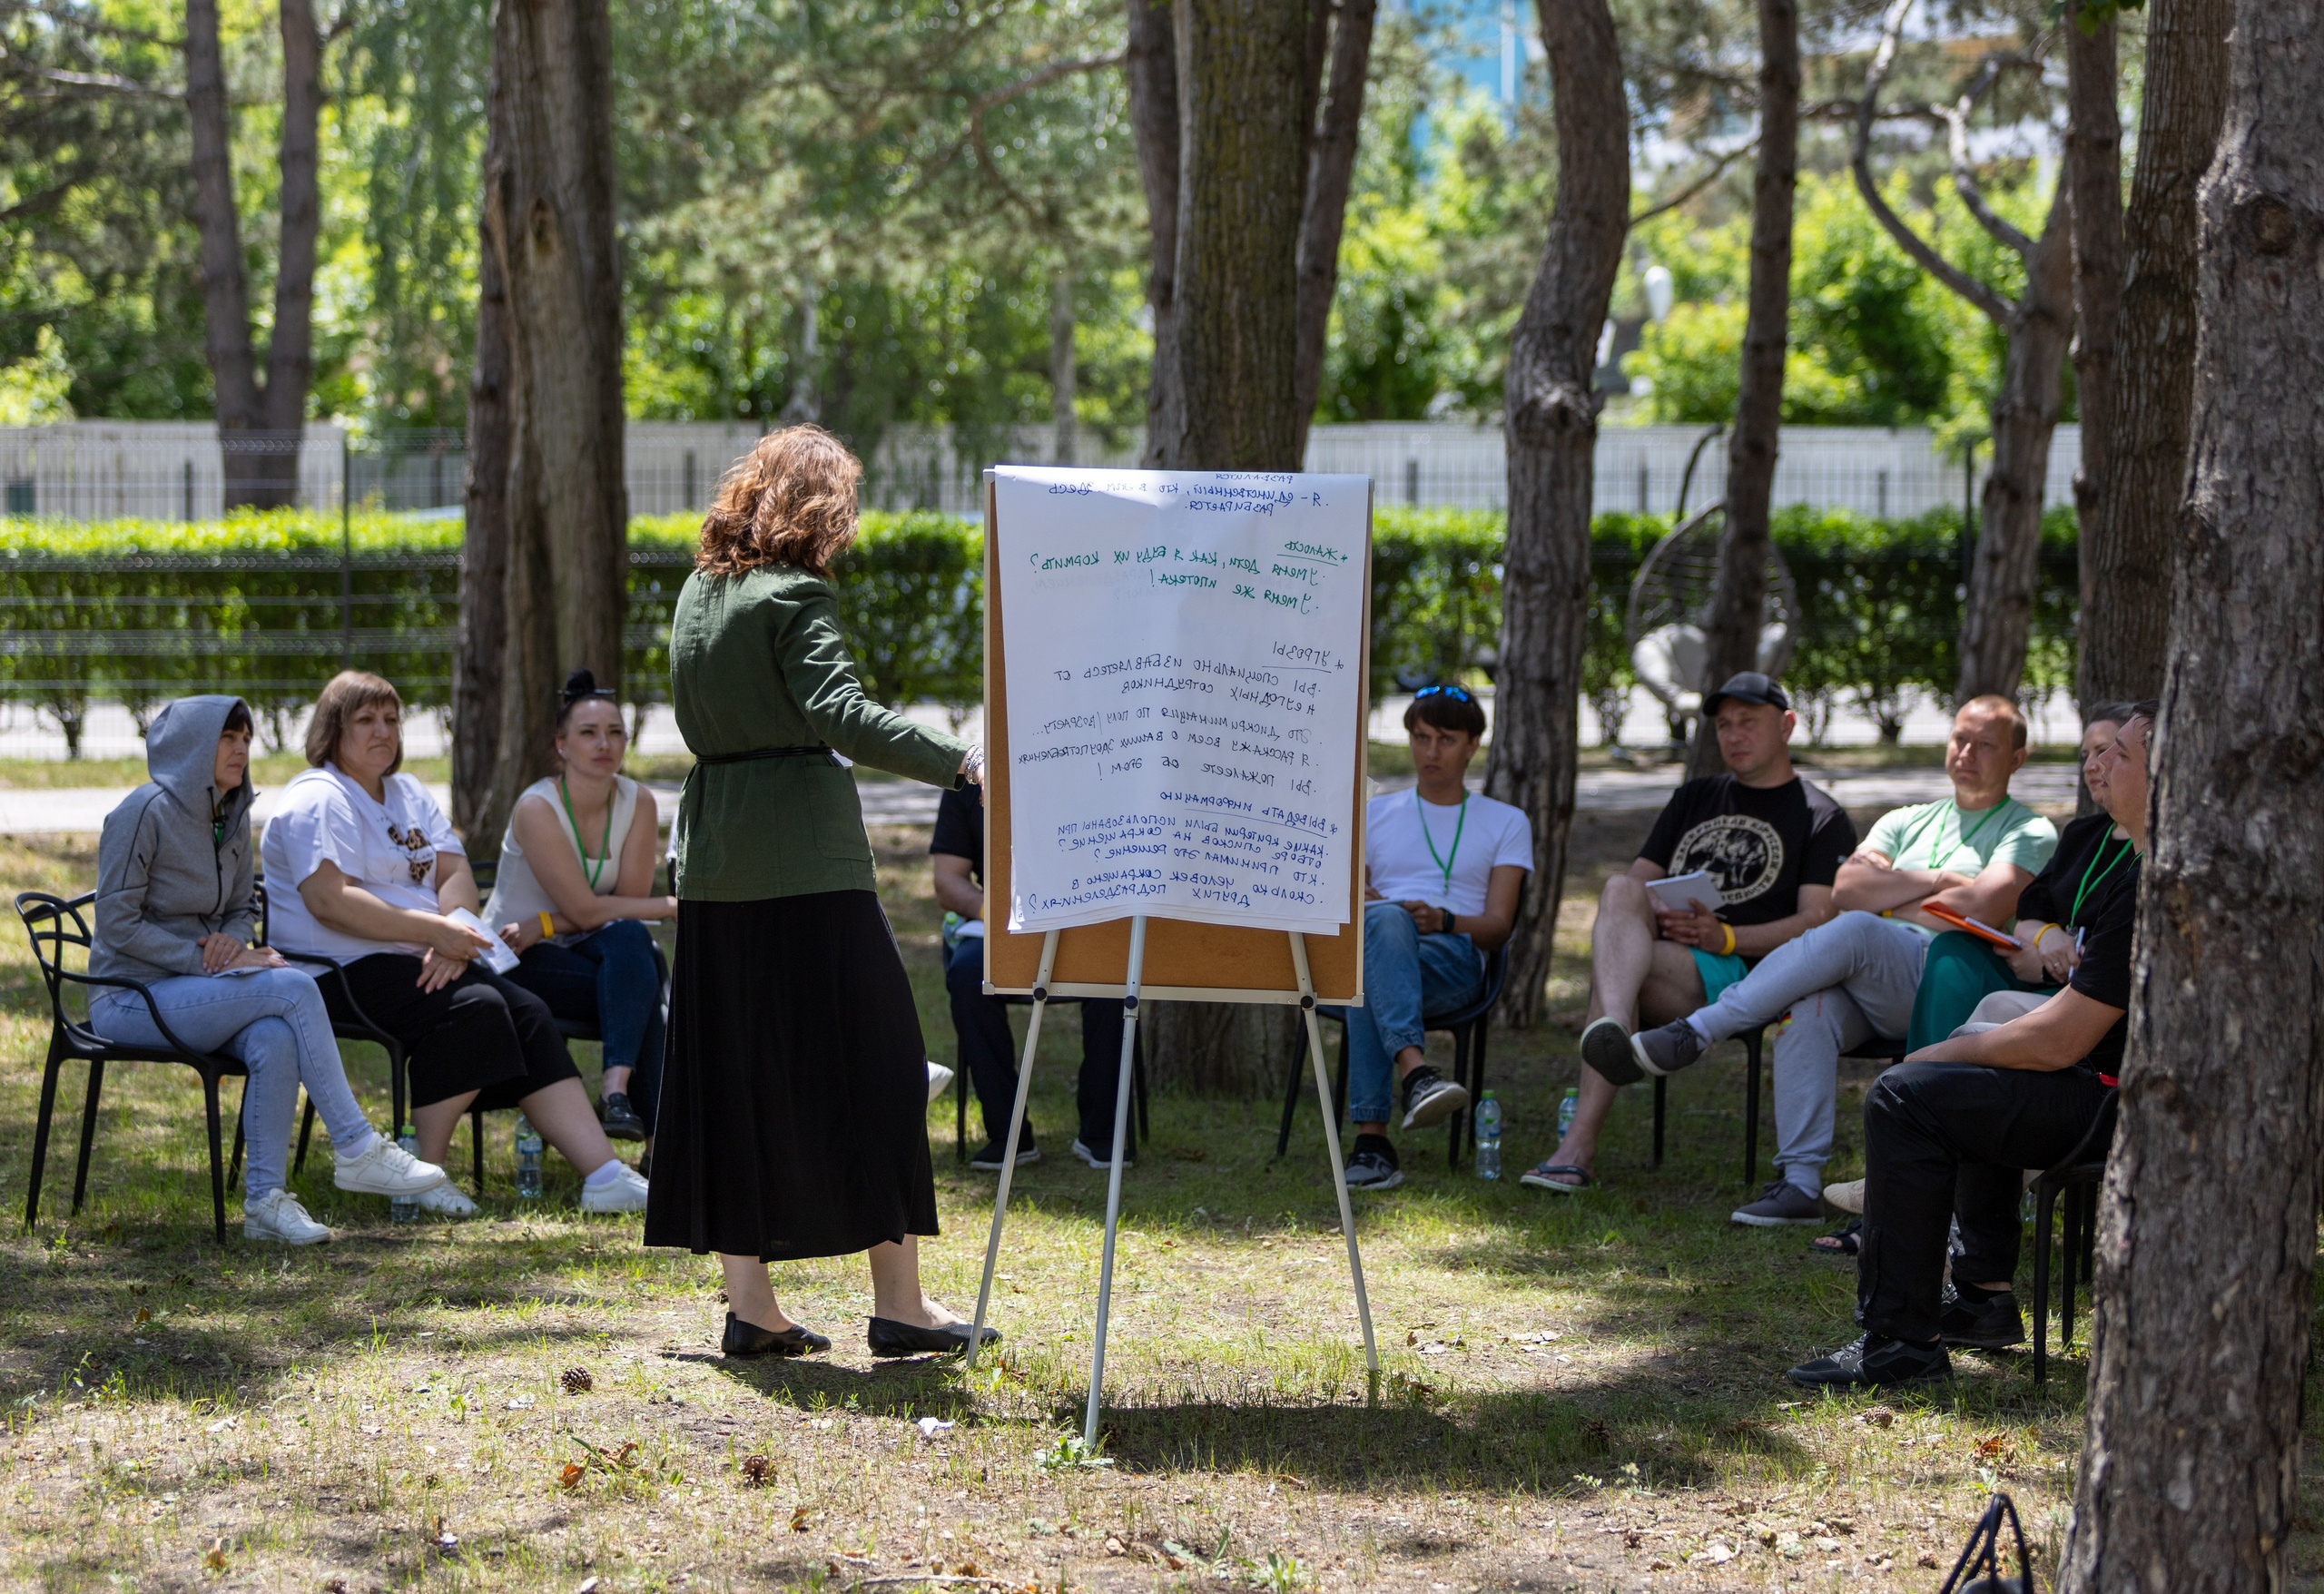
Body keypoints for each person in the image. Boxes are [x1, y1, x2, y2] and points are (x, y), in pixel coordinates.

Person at [643, 423, 999, 1363]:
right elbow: (839, 711)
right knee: (883, 1065)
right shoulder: (796, 594)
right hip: (803, 859)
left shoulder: (696, 593)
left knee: (732, 1077)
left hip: (715, 856)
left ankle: (751, 1307)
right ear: (819, 508)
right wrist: (960, 760)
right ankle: (900, 1307)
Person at [1787, 704, 2155, 1389]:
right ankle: (1983, 1298)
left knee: (1910, 1094)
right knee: (1974, 1070)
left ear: (2164, 778)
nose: (2099, 766)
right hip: (2106, 1083)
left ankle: (1899, 1344)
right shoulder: (2134, 869)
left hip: (2116, 1102)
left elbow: (2063, 1040)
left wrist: (1935, 1057)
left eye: (2122, 756)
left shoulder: (2150, 886)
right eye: (2096, 753)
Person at [1603, 695, 2056, 1225]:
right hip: (1875, 977)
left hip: (1954, 982)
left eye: (1986, 745)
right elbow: (1845, 889)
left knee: (1858, 928)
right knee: (1810, 1008)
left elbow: (1983, 904)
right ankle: (1799, 1184)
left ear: (2017, 760)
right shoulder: (1905, 820)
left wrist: (1886, 896)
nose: (1967, 753)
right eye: (1960, 739)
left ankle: (1699, 1030)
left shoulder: (2029, 830)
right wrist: (1937, 883)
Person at [260, 671, 650, 1218]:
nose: (383, 732)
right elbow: (331, 901)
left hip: (419, 953)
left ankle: (604, 1175)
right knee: (477, 1009)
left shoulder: (407, 792)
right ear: (332, 730)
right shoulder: (319, 798)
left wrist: (452, 932)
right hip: (336, 969)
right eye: (366, 720)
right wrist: (433, 933)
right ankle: (423, 1177)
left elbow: (454, 870)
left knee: (531, 1012)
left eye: (392, 720)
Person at [90, 695, 448, 1244]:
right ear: (191, 748)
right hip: (128, 997)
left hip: (198, 987)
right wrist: (201, 959)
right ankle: (355, 1146)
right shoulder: (142, 813)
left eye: (245, 739)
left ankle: (264, 1204)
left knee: (275, 1035)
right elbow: (116, 925)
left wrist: (230, 946)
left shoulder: (230, 811)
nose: (241, 750)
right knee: (295, 987)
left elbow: (240, 909)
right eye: (227, 738)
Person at [1521, 674, 1856, 1194]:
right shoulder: (1696, 796)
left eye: (1749, 722)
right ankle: (1613, 1027)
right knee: (1618, 889)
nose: (1734, 735)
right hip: (1665, 954)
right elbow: (1637, 884)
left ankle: (1577, 1146)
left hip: (1750, 973)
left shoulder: (1820, 815)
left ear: (1787, 725)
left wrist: (1721, 938)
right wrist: (1660, 908)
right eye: (1724, 725)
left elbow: (1818, 922)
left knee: (1616, 973)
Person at [1336, 686, 1531, 1191]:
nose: (1431, 752)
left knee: (1367, 974)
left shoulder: (1507, 822)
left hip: (1453, 958)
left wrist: (1444, 920)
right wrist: (1376, 903)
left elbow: (1499, 926)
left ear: (1472, 745)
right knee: (1380, 932)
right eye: (1420, 738)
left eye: (1446, 739)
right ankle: (1417, 1073)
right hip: (1379, 947)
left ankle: (1372, 1142)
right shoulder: (1375, 812)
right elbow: (1347, 892)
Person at [487, 668, 676, 1151]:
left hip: (590, 949)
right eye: (588, 733)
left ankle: (615, 1092)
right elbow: (595, 908)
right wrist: (673, 906)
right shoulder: (537, 807)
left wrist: (546, 922)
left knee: (633, 948)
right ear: (562, 745)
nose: (604, 744)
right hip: (516, 959)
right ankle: (657, 1148)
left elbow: (621, 911)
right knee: (641, 984)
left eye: (615, 732)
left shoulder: (638, 801)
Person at [1900, 705, 2132, 1052]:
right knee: (1952, 950)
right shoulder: (2082, 834)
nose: (2089, 766)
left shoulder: (2157, 849)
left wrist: (2044, 964)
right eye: (2085, 754)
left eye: (2105, 751)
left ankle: (1934, 1077)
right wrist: (2045, 934)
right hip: (2037, 970)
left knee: (1997, 1007)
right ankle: (1922, 1074)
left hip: (2088, 999)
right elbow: (2031, 907)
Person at [931, 780, 1129, 1170]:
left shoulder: (1103, 763)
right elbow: (947, 881)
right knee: (968, 974)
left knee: (1119, 977)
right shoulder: (970, 776)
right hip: (1003, 924)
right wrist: (993, 914)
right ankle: (1009, 1136)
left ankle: (1102, 1133)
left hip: (1087, 918)